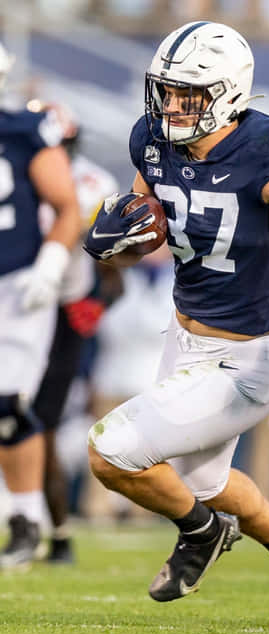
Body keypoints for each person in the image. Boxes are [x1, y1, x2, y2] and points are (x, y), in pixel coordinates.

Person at [82, 22, 269, 629]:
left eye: (185, 94)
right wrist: (122, 239)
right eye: (165, 92)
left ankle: (200, 535)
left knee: (110, 454)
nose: (170, 106)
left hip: (243, 359)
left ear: (227, 93)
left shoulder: (263, 153)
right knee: (208, 480)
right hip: (184, 336)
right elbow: (149, 222)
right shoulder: (155, 141)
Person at [0, 42, 82, 569]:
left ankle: (26, 520)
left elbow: (68, 206)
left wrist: (52, 263)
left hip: (17, 283)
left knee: (7, 404)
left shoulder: (25, 130)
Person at [29, 99, 122, 563]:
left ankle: (57, 532)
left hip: (63, 313)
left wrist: (95, 303)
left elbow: (115, 272)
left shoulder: (92, 185)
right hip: (14, 304)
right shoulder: (13, 170)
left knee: (37, 422)